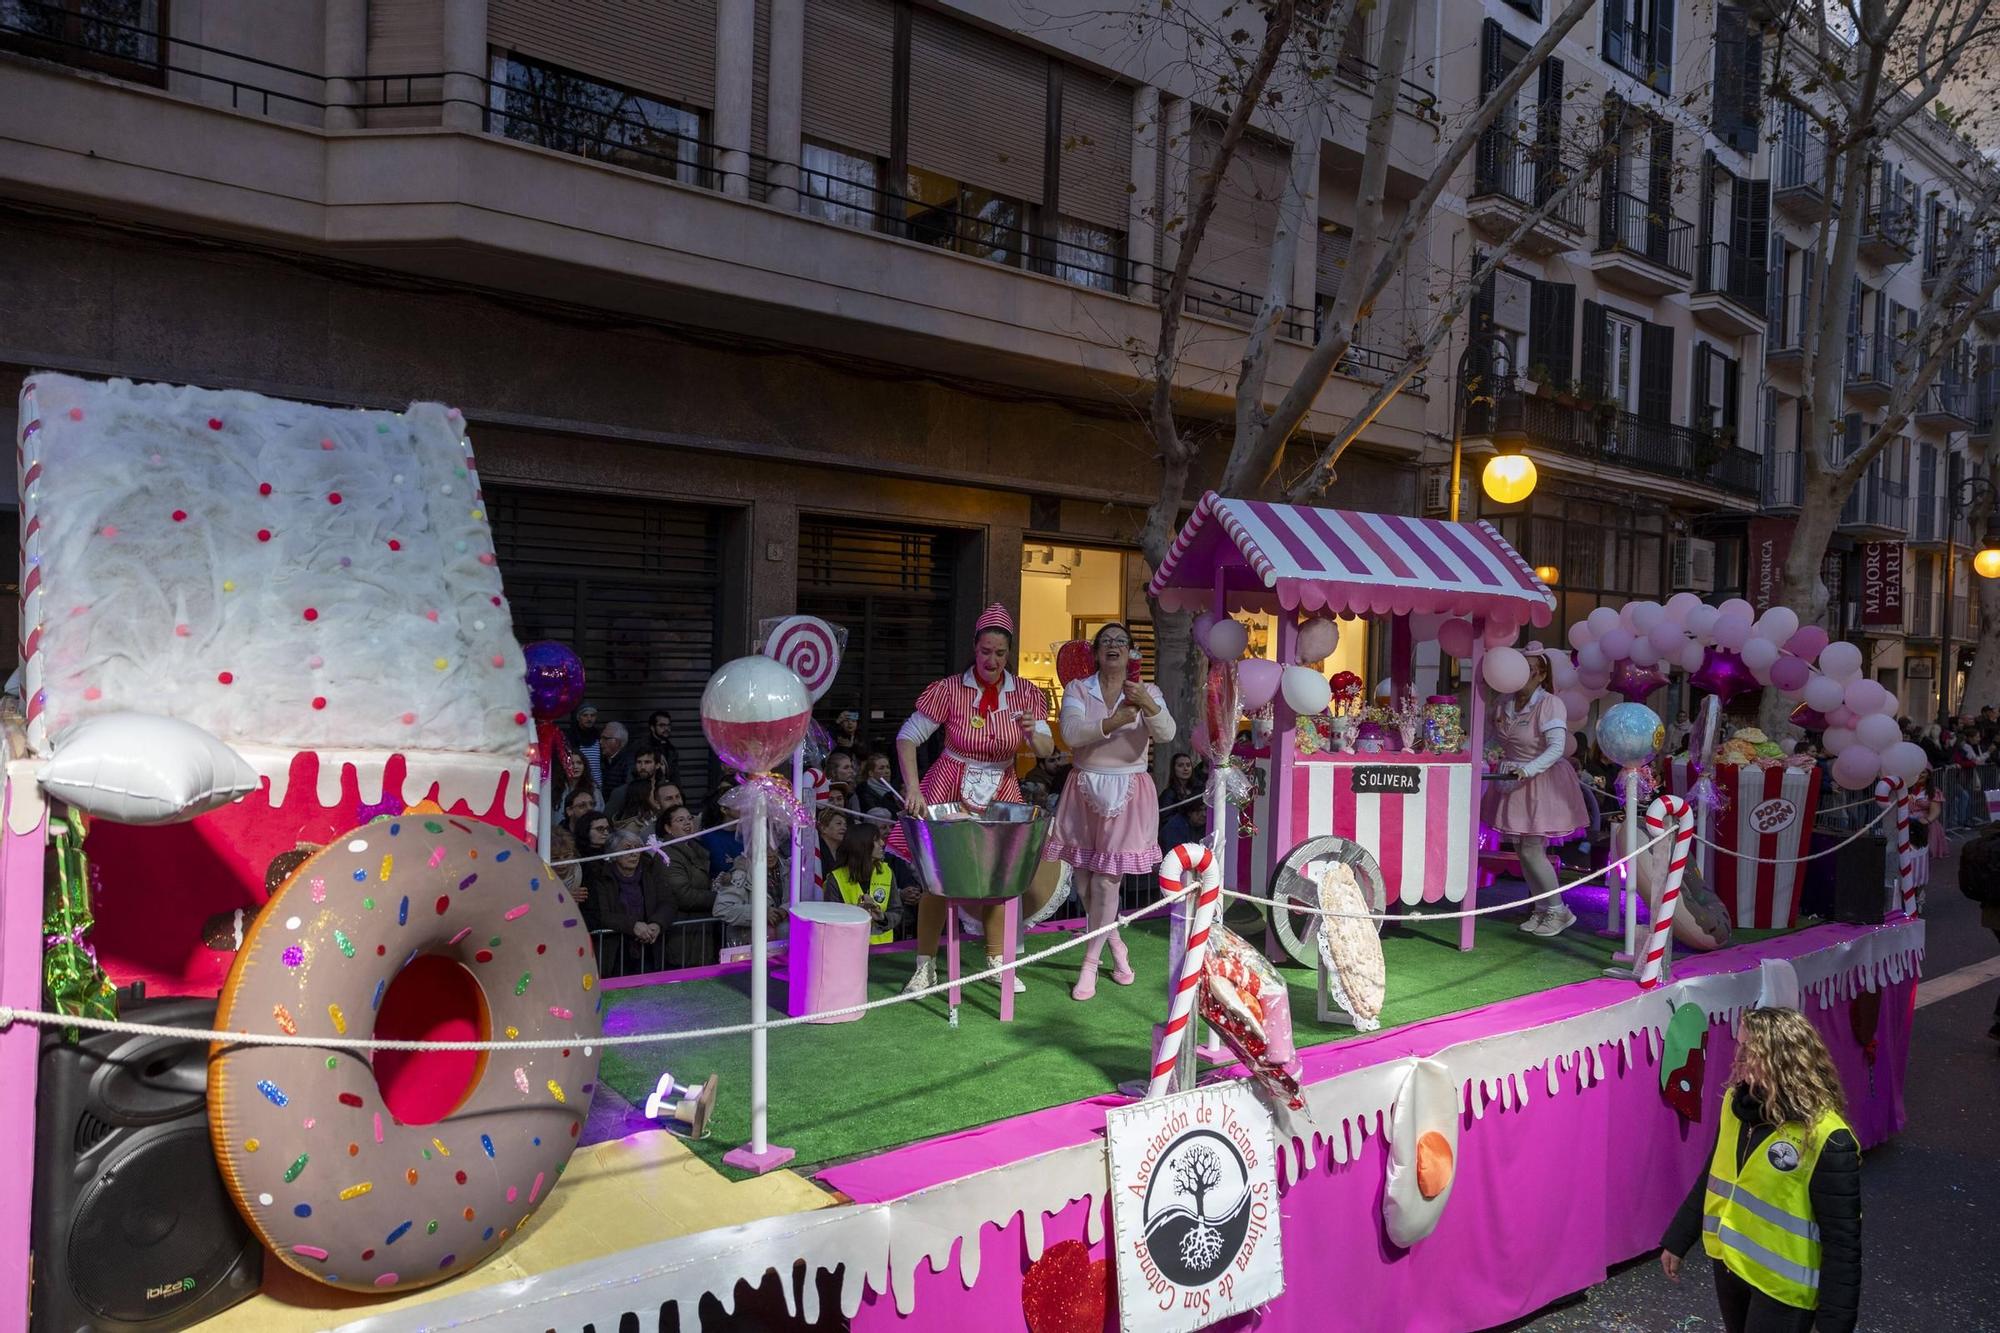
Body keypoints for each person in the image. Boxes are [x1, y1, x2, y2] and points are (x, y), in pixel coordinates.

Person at [1658, 1007, 1861, 1333]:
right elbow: (1714, 1172)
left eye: (1751, 1052)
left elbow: (1843, 1242)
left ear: (1784, 1061)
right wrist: (1679, 1238)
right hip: (1731, 1267)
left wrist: (1835, 1324)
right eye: (1740, 1045)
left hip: (1783, 1291)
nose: (1737, 1057)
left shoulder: (1827, 1138)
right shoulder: (1735, 1106)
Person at [894, 604, 1054, 996]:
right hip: (948, 786)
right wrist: (913, 788)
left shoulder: (1028, 694)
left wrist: (1035, 734)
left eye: (1000, 653)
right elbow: (907, 736)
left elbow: (1047, 750)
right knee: (936, 881)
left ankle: (996, 961)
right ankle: (925, 965)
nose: (992, 660)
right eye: (986, 651)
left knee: (997, 879)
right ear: (974, 648)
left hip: (1000, 788)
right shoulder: (949, 690)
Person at [1047, 622, 1174, 1001]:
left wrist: (1147, 706)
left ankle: (1089, 963)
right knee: (1084, 882)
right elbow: (1070, 734)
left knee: (1106, 882)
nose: (1113, 646)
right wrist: (1114, 721)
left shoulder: (1148, 691)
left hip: (1129, 789)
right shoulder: (1078, 689)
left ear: (1133, 652)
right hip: (1084, 785)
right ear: (1096, 652)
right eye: (1106, 641)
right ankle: (1116, 945)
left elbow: (1166, 733)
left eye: (1121, 641)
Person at [1485, 650, 1590, 937]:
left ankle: (1559, 911)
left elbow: (1556, 748)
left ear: (1542, 674)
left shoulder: (1549, 704)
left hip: (1540, 782)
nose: (1520, 674)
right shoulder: (1505, 702)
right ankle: (1542, 909)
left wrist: (1528, 770)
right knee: (1522, 851)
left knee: (1532, 850)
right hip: (1511, 780)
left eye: (1529, 669)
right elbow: (1494, 740)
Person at [585, 829, 676, 970]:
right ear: (613, 854)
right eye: (627, 849)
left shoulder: (650, 871)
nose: (634, 853)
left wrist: (657, 924)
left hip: (650, 946)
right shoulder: (601, 877)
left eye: (637, 848)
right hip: (615, 950)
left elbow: (668, 902)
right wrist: (632, 925)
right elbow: (601, 914)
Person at [828, 819, 897, 946]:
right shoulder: (835, 878)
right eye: (876, 840)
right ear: (862, 845)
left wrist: (882, 917)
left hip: (883, 949)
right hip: (847, 949)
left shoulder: (887, 872)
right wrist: (856, 914)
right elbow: (830, 921)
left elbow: (897, 911)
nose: (882, 843)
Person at [713, 842, 788, 948]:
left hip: (784, 947)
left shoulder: (789, 868)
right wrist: (761, 913)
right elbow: (721, 909)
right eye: (765, 849)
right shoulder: (742, 872)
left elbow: (804, 900)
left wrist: (785, 910)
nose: (770, 854)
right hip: (750, 948)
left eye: (773, 847)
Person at [656, 804, 715, 915]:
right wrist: (719, 897)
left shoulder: (696, 847)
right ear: (668, 828)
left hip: (700, 920)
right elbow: (683, 897)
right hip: (683, 922)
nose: (687, 822)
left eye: (689, 818)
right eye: (680, 820)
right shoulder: (666, 856)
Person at [1158, 751, 1201, 846]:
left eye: (1188, 765)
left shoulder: (1198, 789)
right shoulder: (1168, 794)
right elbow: (1165, 821)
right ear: (1174, 769)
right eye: (1180, 765)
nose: (1185, 769)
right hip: (1176, 839)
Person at [568, 704, 605, 788]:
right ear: (579, 718)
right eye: (585, 715)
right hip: (578, 784)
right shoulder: (572, 737)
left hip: (597, 784)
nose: (589, 719)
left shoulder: (598, 736)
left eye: (592, 716)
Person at [598, 721, 633, 801]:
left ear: (618, 742)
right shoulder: (603, 760)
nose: (600, 742)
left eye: (605, 738)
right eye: (601, 738)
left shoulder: (628, 763)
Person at [642, 708, 681, 780]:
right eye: (662, 725)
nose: (666, 728)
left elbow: (675, 777)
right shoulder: (642, 747)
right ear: (652, 728)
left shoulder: (672, 750)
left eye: (668, 725)